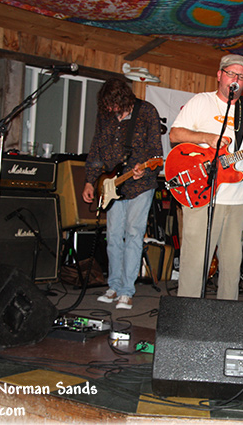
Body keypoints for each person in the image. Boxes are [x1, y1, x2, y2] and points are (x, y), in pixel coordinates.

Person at [169, 54, 243, 300]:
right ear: (219, 75)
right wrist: (206, 138)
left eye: (241, 76)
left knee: (232, 266)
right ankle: (188, 313)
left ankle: (226, 313)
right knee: (194, 263)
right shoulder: (202, 101)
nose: (236, 80)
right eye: (231, 73)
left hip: (237, 199)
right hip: (202, 195)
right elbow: (175, 134)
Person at [82, 78, 163, 310]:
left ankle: (127, 291)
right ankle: (114, 286)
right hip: (111, 185)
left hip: (140, 185)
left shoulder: (146, 112)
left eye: (114, 104)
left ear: (124, 98)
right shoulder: (105, 116)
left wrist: (145, 169)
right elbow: (96, 149)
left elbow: (156, 152)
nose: (111, 109)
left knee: (134, 234)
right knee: (114, 237)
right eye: (107, 105)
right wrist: (90, 181)